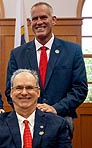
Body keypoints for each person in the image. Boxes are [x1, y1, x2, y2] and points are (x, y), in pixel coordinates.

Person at [5, 2, 88, 137]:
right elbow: (11, 89)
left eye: (43, 17)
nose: (39, 22)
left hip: (60, 120)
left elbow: (80, 89)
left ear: (53, 20)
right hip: (26, 123)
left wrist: (55, 109)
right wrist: (31, 111)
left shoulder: (72, 51)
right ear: (29, 22)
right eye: (35, 19)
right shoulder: (17, 54)